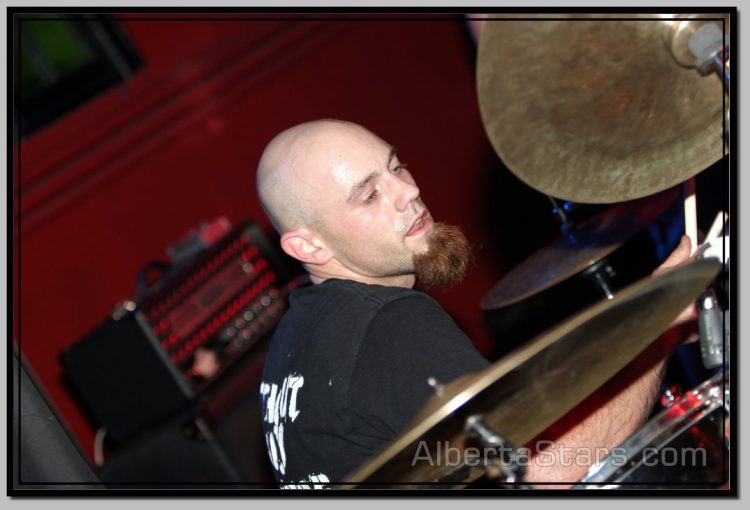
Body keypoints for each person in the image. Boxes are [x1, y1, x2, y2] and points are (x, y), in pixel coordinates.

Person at [255, 119, 694, 489]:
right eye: (369, 195)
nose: (408, 190)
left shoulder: (291, 348)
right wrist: (661, 324)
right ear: (307, 246)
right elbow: (550, 469)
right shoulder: (390, 324)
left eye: (397, 167)